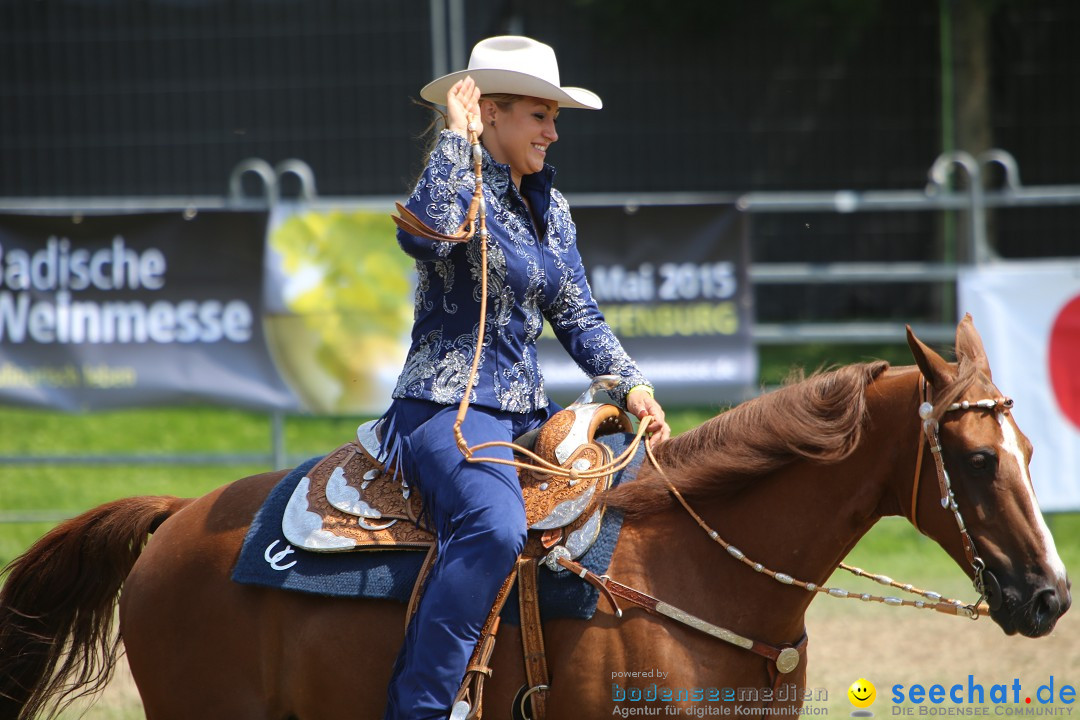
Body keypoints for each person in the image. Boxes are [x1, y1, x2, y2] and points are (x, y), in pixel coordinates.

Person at [380, 35, 669, 720]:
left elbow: (579, 315)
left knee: (637, 506)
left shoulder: (549, 209)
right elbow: (425, 236)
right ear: (491, 114)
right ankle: (424, 706)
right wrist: (456, 138)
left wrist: (633, 386)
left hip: (528, 416)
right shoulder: (459, 184)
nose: (553, 131)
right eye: (539, 115)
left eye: (555, 116)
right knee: (493, 524)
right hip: (446, 407)